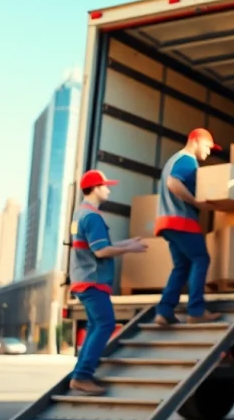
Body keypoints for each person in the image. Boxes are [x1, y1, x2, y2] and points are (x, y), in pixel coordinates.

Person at [68, 169, 148, 396]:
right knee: (105, 324)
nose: (108, 190)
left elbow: (100, 246)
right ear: (95, 189)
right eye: (105, 186)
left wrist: (128, 243)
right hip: (92, 281)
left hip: (83, 279)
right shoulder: (92, 217)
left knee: (95, 326)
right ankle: (82, 376)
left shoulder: (80, 213)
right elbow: (101, 251)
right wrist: (129, 249)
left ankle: (80, 374)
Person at [153, 128, 223, 326]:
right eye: (207, 147)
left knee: (182, 266)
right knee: (201, 259)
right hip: (182, 221)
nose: (208, 152)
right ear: (196, 141)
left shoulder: (173, 160)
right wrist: (195, 201)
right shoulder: (187, 160)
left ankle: (164, 311)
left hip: (167, 222)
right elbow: (173, 182)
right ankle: (196, 311)